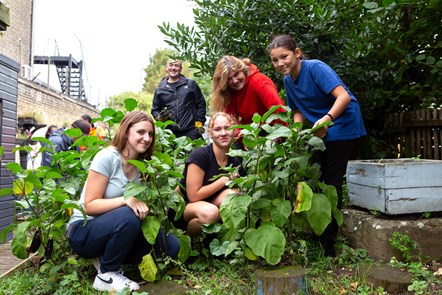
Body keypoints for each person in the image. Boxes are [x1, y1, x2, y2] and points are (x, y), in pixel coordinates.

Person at [268, 34, 367, 257]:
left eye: (284, 56)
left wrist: (327, 119)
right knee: (314, 176)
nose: (280, 63)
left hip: (341, 120)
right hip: (321, 127)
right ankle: (320, 229)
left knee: (331, 181)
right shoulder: (287, 80)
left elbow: (343, 97)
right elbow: (298, 110)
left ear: (297, 52)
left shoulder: (315, 68)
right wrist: (292, 134)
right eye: (275, 60)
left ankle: (328, 243)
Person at [65, 111, 180, 292]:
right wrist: (128, 200)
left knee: (170, 246)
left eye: (150, 134)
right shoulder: (108, 157)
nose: (147, 138)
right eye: (141, 132)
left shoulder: (144, 165)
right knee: (129, 214)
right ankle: (106, 274)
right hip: (83, 230)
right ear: (126, 131)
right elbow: (90, 205)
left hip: (116, 229)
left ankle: (106, 256)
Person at [178, 112, 244, 238]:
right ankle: (187, 239)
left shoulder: (236, 159)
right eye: (218, 129)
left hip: (209, 204)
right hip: (185, 206)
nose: (223, 133)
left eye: (227, 128)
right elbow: (193, 196)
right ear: (210, 133)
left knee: (235, 195)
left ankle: (212, 239)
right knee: (210, 213)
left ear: (234, 131)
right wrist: (224, 180)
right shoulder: (200, 155)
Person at [211, 56, 286, 125]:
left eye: (236, 74)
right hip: (251, 133)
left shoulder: (259, 81)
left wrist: (280, 136)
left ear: (243, 70)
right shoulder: (230, 90)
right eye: (229, 79)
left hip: (272, 130)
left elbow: (279, 110)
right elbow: (230, 122)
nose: (235, 81)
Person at [151, 59, 207, 140]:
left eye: (176, 66)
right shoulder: (160, 89)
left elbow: (201, 103)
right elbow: (155, 110)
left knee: (199, 152)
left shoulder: (191, 84)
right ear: (166, 68)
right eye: (171, 65)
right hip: (170, 134)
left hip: (191, 132)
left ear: (180, 69)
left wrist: (199, 121)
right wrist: (159, 117)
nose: (173, 68)